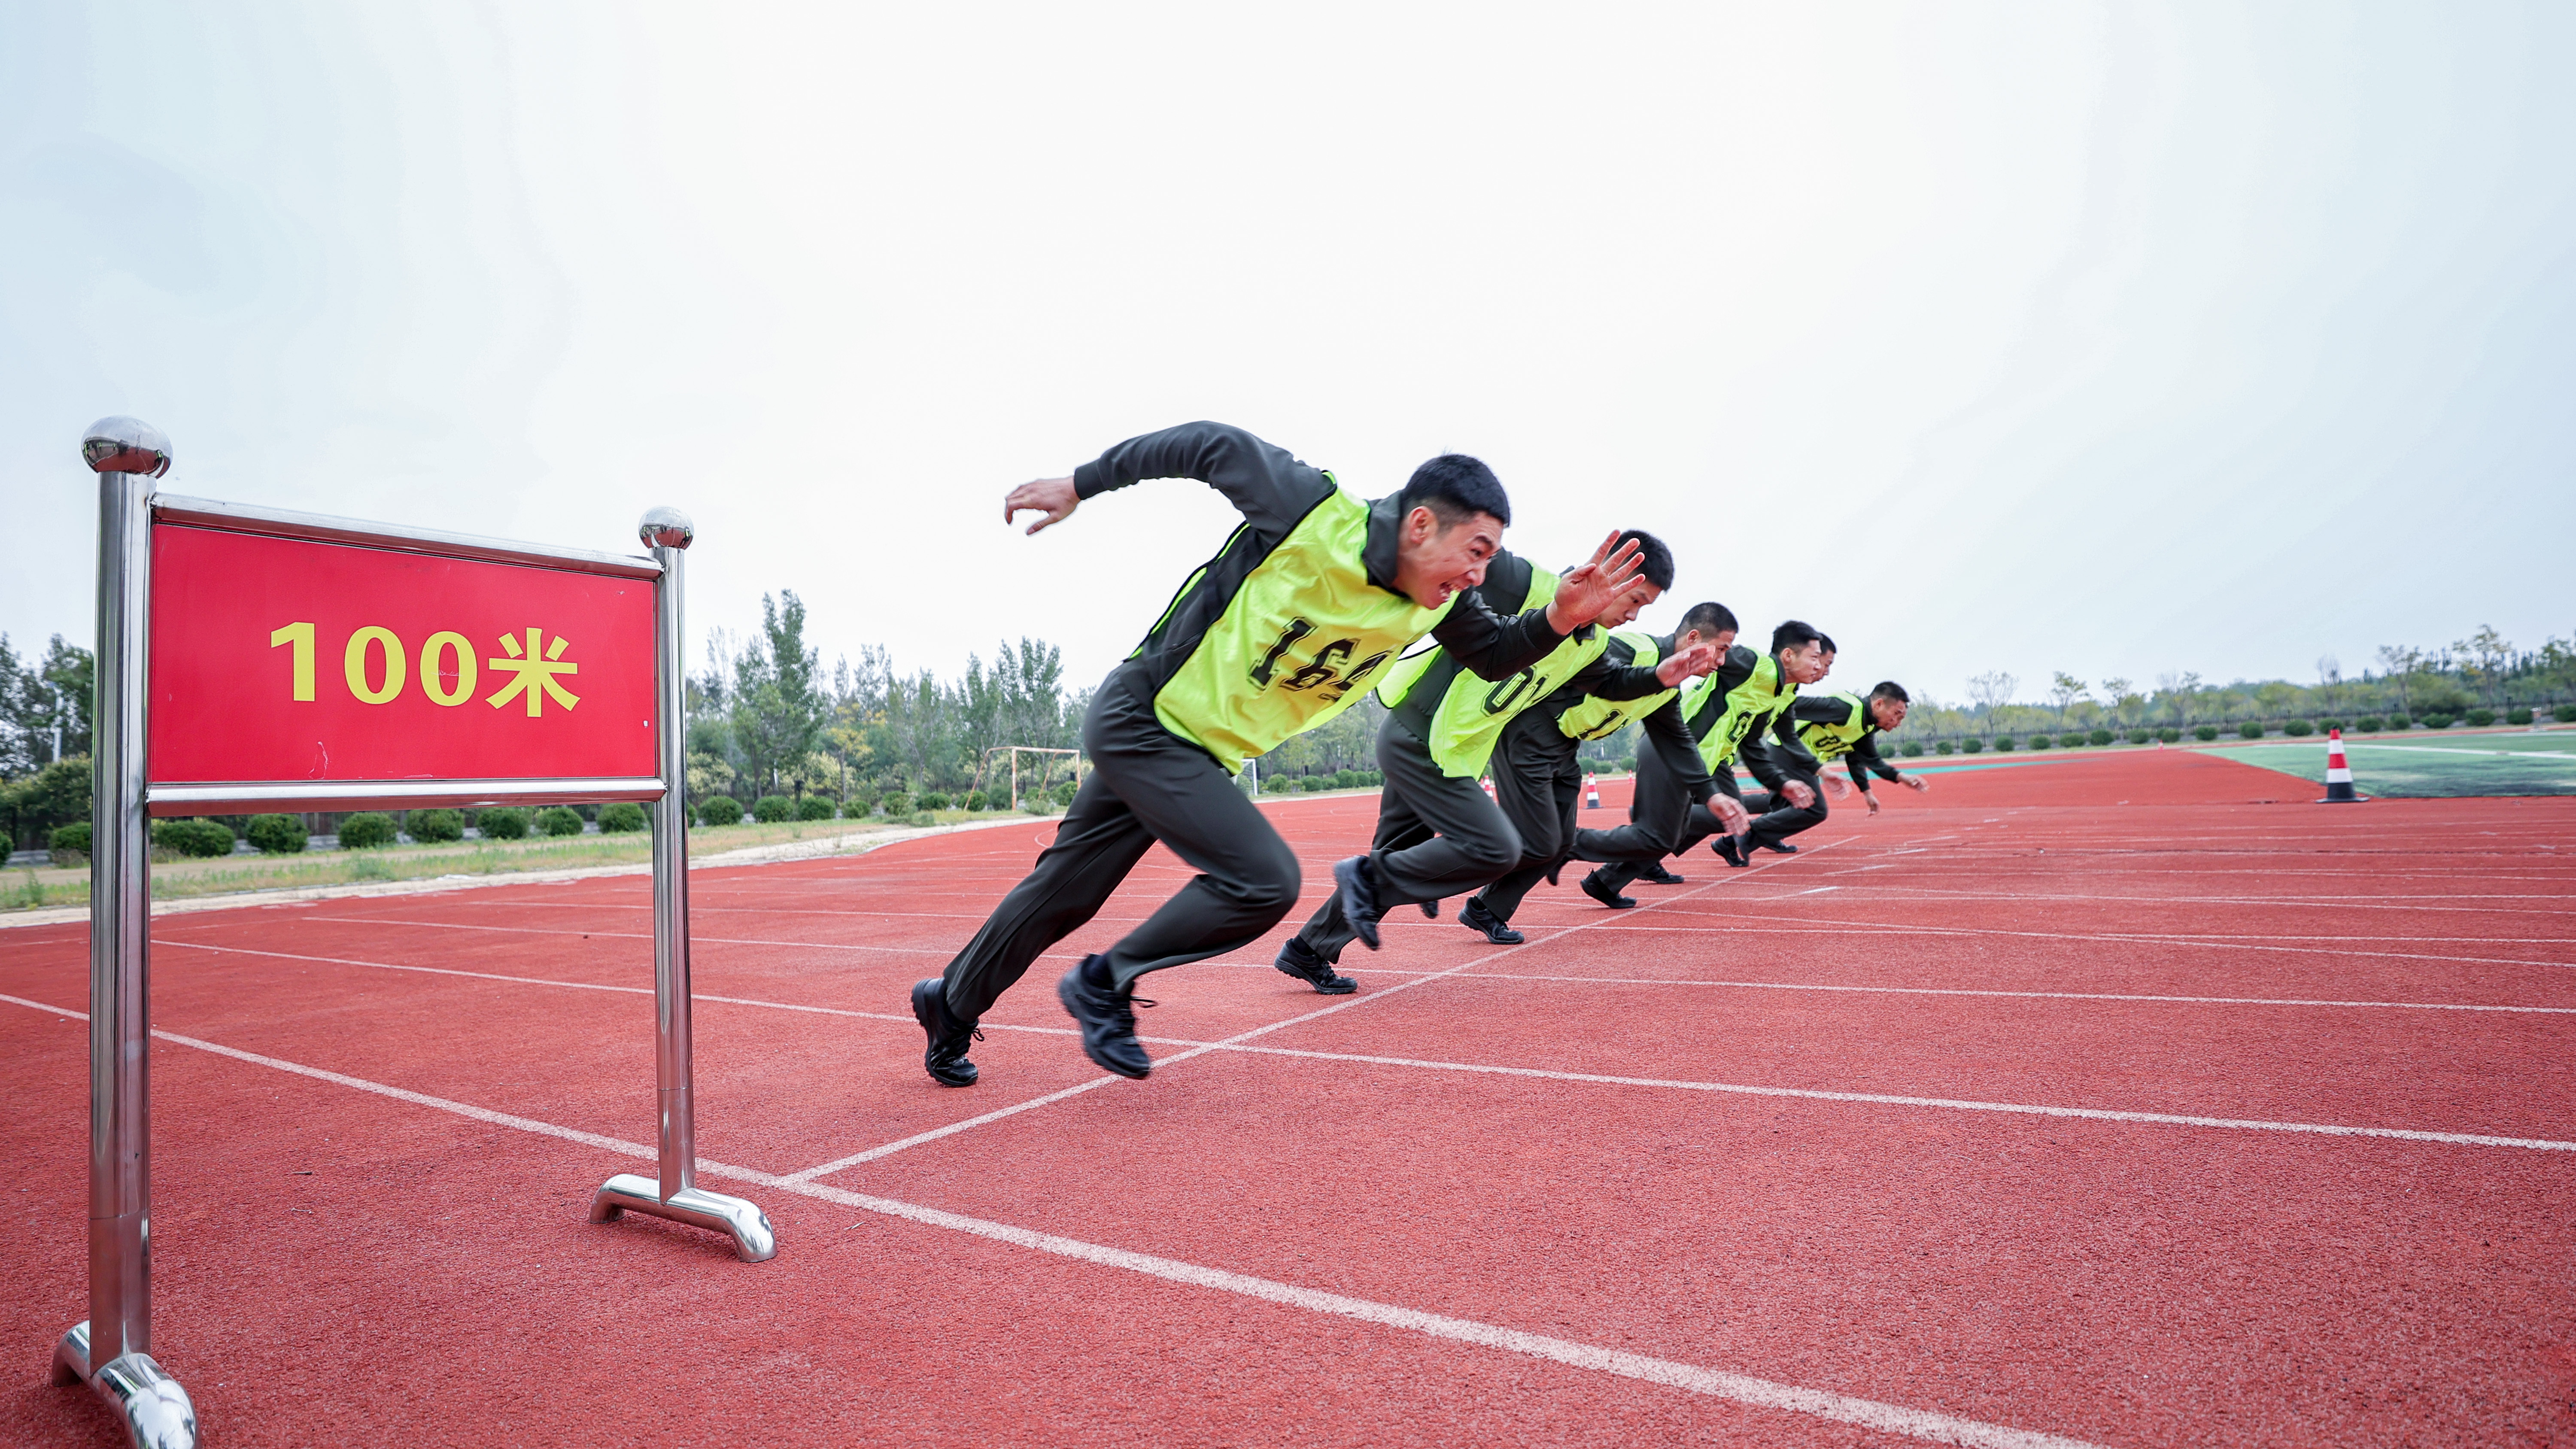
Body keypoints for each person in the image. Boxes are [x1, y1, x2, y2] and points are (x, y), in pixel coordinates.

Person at [912, 420, 1653, 1084]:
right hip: (1146, 714)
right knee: (1264, 879)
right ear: (1421, 525)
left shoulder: (1445, 600)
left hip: (1203, 752)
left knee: (1063, 893)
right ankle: (1106, 983)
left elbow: (1493, 654)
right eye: (1476, 552)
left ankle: (948, 1004)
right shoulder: (1310, 511)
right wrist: (1080, 483)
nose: (1479, 576)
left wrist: (1557, 618)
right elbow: (1209, 444)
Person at [1275, 530, 1719, 974]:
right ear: (1607, 574)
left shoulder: (1593, 644)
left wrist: (1660, 677)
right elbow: (1473, 555)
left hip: (1454, 752)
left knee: (1398, 856)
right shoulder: (1530, 587)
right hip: (1420, 737)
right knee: (1494, 848)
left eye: (1644, 608)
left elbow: (1610, 684)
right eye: (1634, 599)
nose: (1633, 615)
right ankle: (1381, 882)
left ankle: (1308, 949)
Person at [1458, 600, 1741, 943]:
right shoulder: (1635, 650)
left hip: (1563, 745)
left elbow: (1677, 741)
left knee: (1558, 842)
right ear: (1694, 638)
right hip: (1530, 731)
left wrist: (1712, 795)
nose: (1722, 662)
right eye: (1721, 649)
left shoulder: (1667, 689)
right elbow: (1565, 661)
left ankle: (1486, 909)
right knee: (1539, 841)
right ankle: (1428, 869)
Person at [1574, 619, 1829, 903]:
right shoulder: (1755, 663)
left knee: (1724, 817)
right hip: (1674, 746)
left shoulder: (1778, 692)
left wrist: (1782, 783)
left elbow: (1753, 745)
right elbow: (1709, 656)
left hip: (1711, 760)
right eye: (1816, 658)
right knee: (1680, 826)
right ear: (1789, 655)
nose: (1821, 668)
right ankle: (1646, 823)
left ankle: (1610, 877)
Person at [1738, 680, 1929, 854]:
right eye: (1897, 715)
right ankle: (1742, 836)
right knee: (1814, 808)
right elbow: (1791, 705)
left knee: (1787, 802)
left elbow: (1861, 759)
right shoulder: (1844, 709)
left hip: (1804, 758)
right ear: (1879, 704)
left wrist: (1870, 790)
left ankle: (1736, 814)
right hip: (1786, 751)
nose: (1898, 723)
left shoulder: (1868, 726)